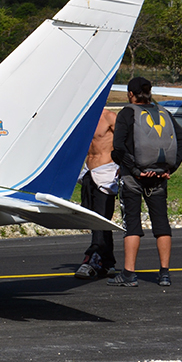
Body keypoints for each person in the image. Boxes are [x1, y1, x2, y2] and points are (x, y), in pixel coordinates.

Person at [107, 77, 182, 288]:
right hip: (160, 177)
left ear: (130, 94)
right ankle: (164, 274)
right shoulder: (164, 112)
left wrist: (135, 170)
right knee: (161, 223)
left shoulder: (127, 113)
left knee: (132, 225)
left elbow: (118, 149)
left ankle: (129, 274)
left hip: (134, 178)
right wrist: (169, 169)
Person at [75, 107, 119, 278]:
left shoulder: (109, 117)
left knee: (101, 219)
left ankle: (94, 258)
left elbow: (127, 142)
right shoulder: (84, 117)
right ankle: (108, 263)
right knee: (93, 219)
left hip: (106, 174)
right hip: (88, 173)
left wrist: (122, 167)